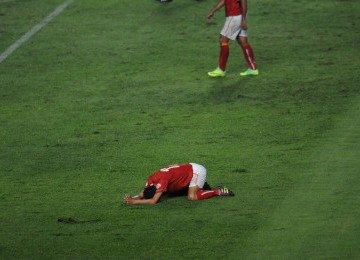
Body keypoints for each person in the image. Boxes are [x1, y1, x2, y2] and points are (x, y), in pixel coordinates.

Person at [123, 163, 234, 205]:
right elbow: (142, 194)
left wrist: (134, 202)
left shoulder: (162, 180)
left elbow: (153, 201)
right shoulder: (152, 179)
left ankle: (217, 191)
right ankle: (201, 186)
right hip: (187, 172)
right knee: (172, 191)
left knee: (192, 197)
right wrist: (131, 198)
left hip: (197, 171)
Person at [207, 0, 259, 77]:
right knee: (242, 41)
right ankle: (253, 69)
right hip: (238, 16)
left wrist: (244, 19)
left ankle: (221, 70)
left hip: (235, 16)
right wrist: (213, 10)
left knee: (223, 40)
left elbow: (244, 1)